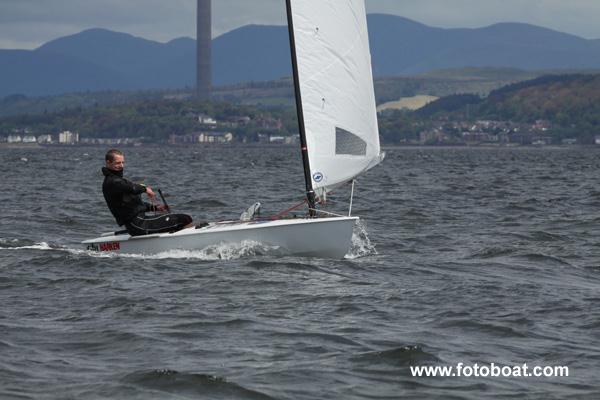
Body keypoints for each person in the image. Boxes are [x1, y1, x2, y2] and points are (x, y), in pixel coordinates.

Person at [102, 149, 193, 236]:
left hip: (139, 223)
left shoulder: (119, 181)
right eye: (118, 163)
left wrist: (155, 208)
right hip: (138, 225)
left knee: (180, 220)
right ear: (108, 162)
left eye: (123, 162)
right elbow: (133, 188)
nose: (122, 166)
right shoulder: (112, 182)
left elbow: (134, 204)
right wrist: (145, 188)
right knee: (184, 218)